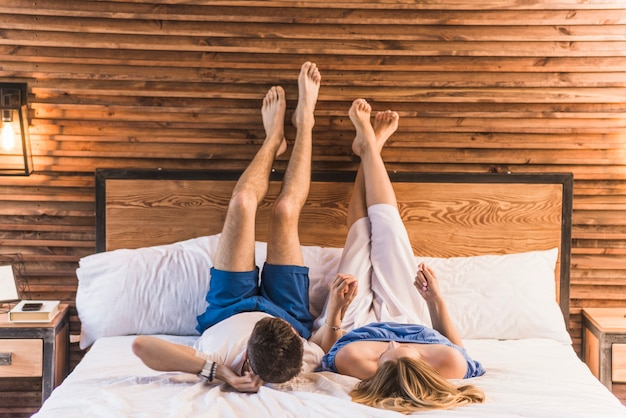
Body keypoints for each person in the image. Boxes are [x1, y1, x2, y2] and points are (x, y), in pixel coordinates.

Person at [132, 61, 345, 392]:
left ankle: (274, 138)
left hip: (228, 308)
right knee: (286, 210)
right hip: (287, 312)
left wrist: (220, 373)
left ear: (245, 357)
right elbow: (323, 341)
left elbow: (142, 346)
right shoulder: (303, 355)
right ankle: (305, 124)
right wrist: (336, 310)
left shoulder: (223, 355)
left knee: (243, 203)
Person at [313, 98, 486, 413]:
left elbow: (322, 349)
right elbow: (454, 345)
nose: (392, 344)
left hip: (353, 323)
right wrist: (434, 298)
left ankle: (369, 148)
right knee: (390, 230)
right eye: (403, 351)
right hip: (408, 315)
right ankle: (369, 147)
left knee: (360, 235)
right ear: (424, 366)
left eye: (383, 356)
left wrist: (336, 310)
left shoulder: (354, 362)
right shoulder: (450, 364)